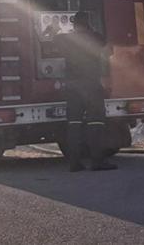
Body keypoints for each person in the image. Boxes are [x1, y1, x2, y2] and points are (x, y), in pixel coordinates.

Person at [56, 11, 116, 172]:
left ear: (74, 24)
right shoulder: (95, 37)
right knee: (95, 122)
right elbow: (109, 51)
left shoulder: (65, 39)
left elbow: (53, 41)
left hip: (72, 86)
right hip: (91, 85)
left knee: (74, 124)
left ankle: (74, 163)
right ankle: (97, 161)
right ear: (88, 23)